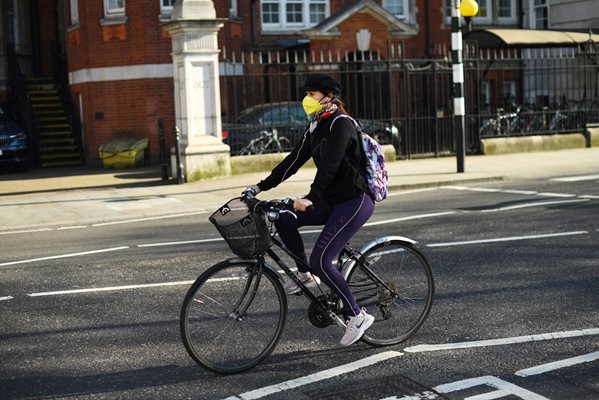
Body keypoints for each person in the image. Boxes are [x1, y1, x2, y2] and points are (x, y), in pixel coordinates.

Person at [246, 74, 376, 346]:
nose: (307, 99)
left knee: (322, 259)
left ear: (329, 96)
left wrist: (311, 197)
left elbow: (329, 166)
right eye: (306, 93)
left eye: (312, 93)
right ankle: (305, 275)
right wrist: (260, 187)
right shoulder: (317, 126)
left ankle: (357, 315)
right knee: (284, 218)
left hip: (354, 200)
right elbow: (293, 160)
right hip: (330, 199)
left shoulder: (341, 124)